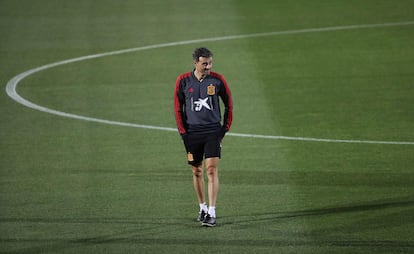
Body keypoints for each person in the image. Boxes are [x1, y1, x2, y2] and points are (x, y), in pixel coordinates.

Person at [174, 47, 233, 227]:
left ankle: (213, 212)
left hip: (212, 132)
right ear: (195, 63)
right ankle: (202, 207)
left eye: (210, 63)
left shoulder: (218, 80)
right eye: (204, 64)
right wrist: (184, 133)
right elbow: (178, 108)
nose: (208, 67)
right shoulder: (183, 81)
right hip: (192, 134)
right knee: (197, 170)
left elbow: (229, 105)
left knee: (211, 170)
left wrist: (223, 130)